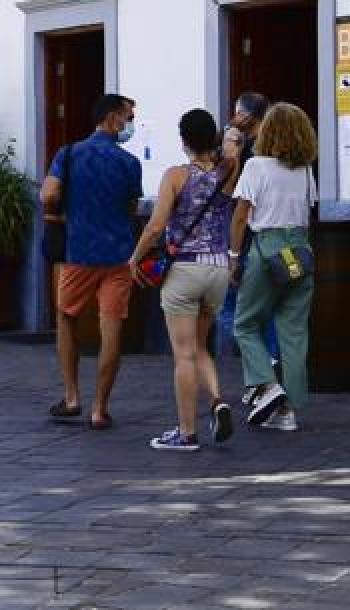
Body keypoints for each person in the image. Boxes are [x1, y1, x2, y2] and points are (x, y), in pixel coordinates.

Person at [129, 109, 240, 451]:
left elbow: (157, 224)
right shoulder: (228, 172)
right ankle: (218, 400)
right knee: (200, 346)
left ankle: (187, 432)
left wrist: (135, 256)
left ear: (183, 140)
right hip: (218, 268)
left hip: (184, 271)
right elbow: (235, 146)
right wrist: (230, 136)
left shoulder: (175, 175)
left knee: (183, 354)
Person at [40, 93, 143, 429]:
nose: (130, 124)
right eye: (128, 117)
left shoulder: (68, 154)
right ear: (113, 118)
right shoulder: (129, 164)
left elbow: (48, 195)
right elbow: (131, 208)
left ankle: (71, 397)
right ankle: (100, 408)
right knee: (111, 327)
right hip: (118, 256)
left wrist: (66, 209)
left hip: (79, 253)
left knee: (66, 317)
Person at [229, 103, 318, 432]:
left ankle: (267, 386)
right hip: (300, 250)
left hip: (267, 247)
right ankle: (288, 413)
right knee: (293, 333)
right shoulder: (305, 169)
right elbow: (308, 214)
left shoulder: (256, 166)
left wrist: (233, 256)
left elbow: (241, 216)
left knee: (245, 324)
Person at [217, 91, 280, 363]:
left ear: (245, 116)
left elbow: (233, 198)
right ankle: (273, 361)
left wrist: (230, 150)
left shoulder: (249, 155)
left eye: (237, 112)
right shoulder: (282, 150)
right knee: (270, 308)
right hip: (278, 236)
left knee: (227, 305)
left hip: (247, 238)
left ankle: (261, 358)